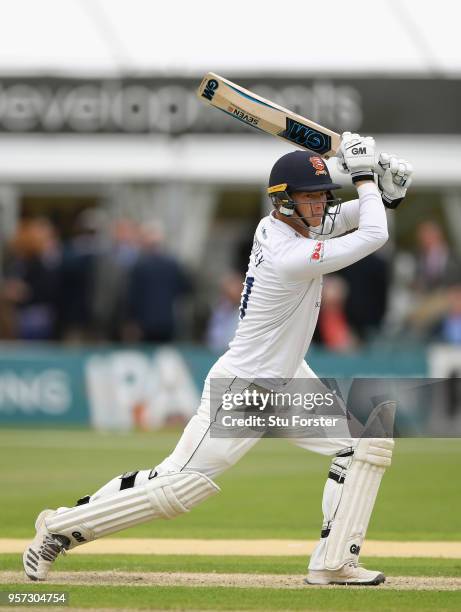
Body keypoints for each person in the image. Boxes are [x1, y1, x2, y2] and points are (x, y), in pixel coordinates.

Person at [23, 133, 412, 586]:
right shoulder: (291, 253)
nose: (322, 207)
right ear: (285, 202)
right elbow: (372, 233)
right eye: (311, 198)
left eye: (324, 197)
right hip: (246, 389)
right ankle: (57, 528)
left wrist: (384, 192)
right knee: (177, 487)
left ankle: (333, 564)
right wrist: (365, 175)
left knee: (366, 445)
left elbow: (353, 217)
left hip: (286, 381)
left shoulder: (285, 227)